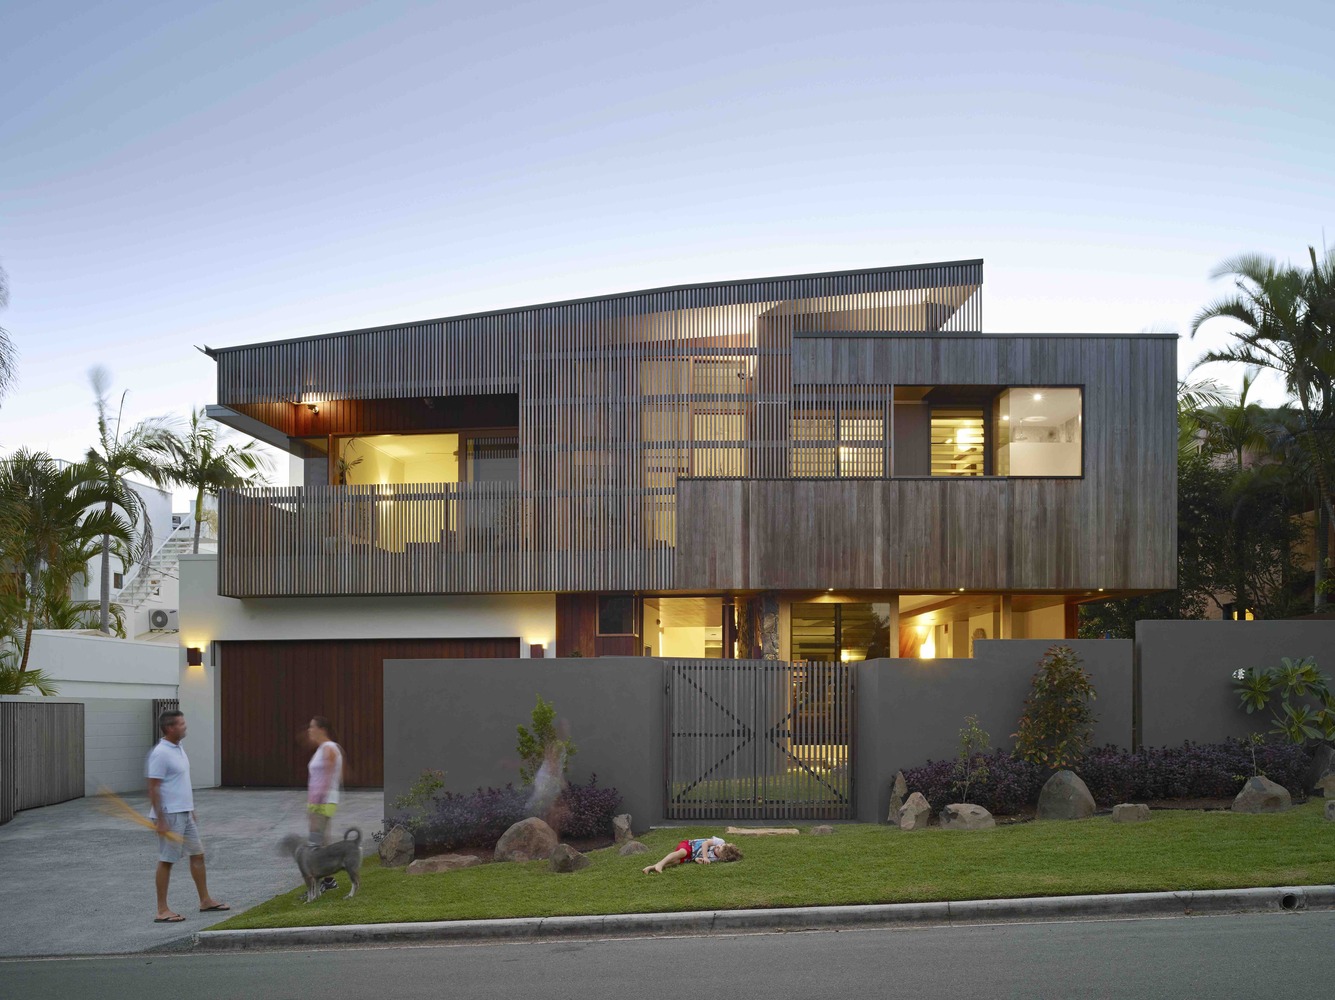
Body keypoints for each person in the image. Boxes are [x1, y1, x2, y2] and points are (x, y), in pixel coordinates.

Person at [146, 710, 228, 922]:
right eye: (181, 724)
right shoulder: (160, 753)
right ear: (170, 728)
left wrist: (190, 808)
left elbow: (179, 783)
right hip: (169, 814)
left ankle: (205, 900)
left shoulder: (178, 748)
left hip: (184, 812)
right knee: (167, 860)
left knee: (197, 854)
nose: (185, 726)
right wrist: (161, 819)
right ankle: (162, 910)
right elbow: (153, 787)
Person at [306, 715, 345, 895]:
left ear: (321, 729)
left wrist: (318, 802)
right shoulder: (323, 748)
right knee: (322, 843)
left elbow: (329, 777)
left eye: (312, 727)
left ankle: (316, 885)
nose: (309, 730)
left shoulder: (329, 748)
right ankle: (328, 881)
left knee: (317, 844)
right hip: (317, 802)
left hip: (322, 802)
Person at [642, 836, 743, 874]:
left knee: (676, 861)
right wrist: (705, 857)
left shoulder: (715, 859)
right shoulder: (720, 841)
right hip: (689, 845)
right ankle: (660, 864)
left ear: (722, 857)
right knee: (681, 853)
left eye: (719, 849)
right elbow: (705, 843)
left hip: (691, 857)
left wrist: (698, 860)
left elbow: (697, 859)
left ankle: (651, 868)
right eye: (719, 846)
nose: (718, 846)